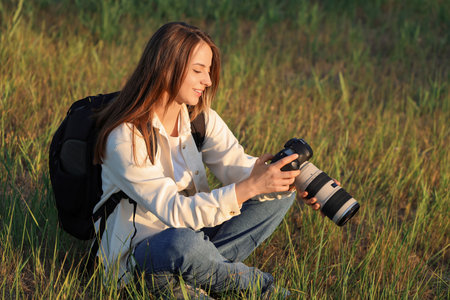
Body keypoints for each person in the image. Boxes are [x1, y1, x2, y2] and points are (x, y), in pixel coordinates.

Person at [93, 22, 320, 298]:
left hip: (197, 243)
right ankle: (261, 290)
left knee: (277, 193)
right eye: (198, 71)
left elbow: (239, 167)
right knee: (184, 243)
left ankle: (206, 277)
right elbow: (175, 211)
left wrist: (292, 180)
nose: (208, 81)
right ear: (165, 67)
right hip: (142, 264)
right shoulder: (125, 138)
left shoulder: (200, 119)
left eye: (209, 72)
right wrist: (252, 186)